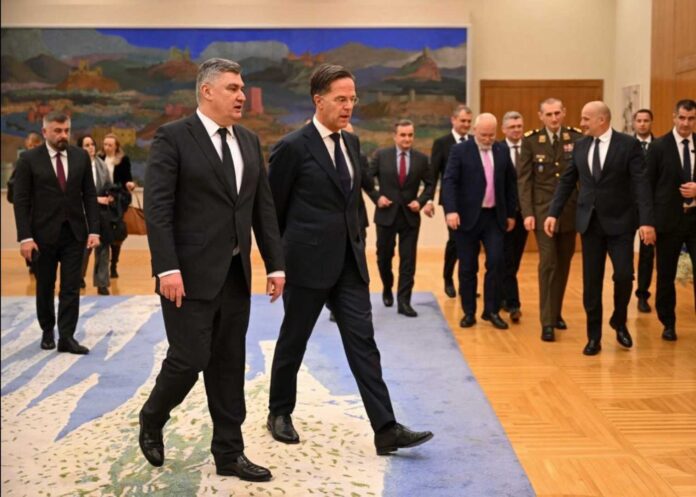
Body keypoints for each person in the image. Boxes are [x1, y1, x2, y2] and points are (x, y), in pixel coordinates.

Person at [266, 63, 433, 455]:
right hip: (306, 265)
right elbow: (273, 211)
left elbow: (352, 202)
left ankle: (386, 429)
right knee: (294, 340)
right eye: (340, 99)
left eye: (352, 99)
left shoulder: (352, 144)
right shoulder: (293, 147)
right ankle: (279, 412)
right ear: (318, 100)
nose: (348, 106)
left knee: (363, 344)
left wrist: (359, 238)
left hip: (349, 265)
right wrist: (277, 264)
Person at [138, 58, 285, 482]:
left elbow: (262, 209)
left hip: (236, 275)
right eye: (233, 88)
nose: (242, 96)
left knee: (228, 363)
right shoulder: (173, 137)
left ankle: (229, 453)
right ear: (207, 91)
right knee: (189, 358)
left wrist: (275, 264)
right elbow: (158, 208)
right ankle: (152, 416)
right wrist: (166, 267)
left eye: (243, 88)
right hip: (185, 276)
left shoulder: (249, 140)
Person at [544, 101, 655, 356]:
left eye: (586, 118)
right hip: (590, 225)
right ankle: (593, 336)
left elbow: (641, 184)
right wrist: (553, 213)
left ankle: (619, 321)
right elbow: (567, 181)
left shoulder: (628, 145)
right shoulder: (580, 145)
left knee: (624, 276)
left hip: (621, 224)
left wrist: (647, 221)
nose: (581, 123)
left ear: (601, 120)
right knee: (591, 284)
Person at [12, 111, 100, 354]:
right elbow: (21, 201)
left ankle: (67, 337)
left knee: (71, 287)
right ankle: (48, 331)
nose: (63, 135)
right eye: (57, 131)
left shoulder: (81, 156)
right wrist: (25, 237)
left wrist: (94, 230)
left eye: (66, 131)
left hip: (75, 234)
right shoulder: (28, 159)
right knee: (45, 286)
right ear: (45, 132)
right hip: (42, 236)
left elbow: (89, 195)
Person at [442, 113, 517, 330]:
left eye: (491, 135)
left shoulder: (501, 150)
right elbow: (449, 181)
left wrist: (511, 214)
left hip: (494, 217)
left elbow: (510, 184)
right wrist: (451, 210)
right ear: (475, 131)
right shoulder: (460, 150)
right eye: (483, 135)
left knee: (496, 262)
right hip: (466, 218)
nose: (487, 139)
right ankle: (469, 312)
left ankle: (491, 311)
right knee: (468, 266)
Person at [518, 98, 583, 342]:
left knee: (564, 263)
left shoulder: (576, 139)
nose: (554, 118)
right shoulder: (531, 141)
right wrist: (528, 213)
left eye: (557, 113)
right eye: (549, 114)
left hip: (569, 211)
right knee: (548, 263)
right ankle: (546, 322)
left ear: (564, 113)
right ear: (540, 116)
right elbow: (524, 180)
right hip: (543, 211)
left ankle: (555, 312)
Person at [368, 119, 435, 317]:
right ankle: (387, 287)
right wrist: (377, 198)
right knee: (383, 258)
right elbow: (366, 180)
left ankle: (404, 301)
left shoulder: (422, 159)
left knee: (408, 261)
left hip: (409, 217)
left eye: (410, 135)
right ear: (395, 136)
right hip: (386, 215)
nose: (407, 139)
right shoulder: (381, 156)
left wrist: (421, 201)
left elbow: (430, 184)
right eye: (403, 135)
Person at [646, 99, 696, 341]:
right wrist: (648, 222)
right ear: (674, 117)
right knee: (666, 276)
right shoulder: (658, 147)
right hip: (667, 222)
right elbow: (647, 186)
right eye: (682, 118)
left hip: (694, 221)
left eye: (691, 119)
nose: (686, 123)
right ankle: (668, 323)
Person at [431, 104, 473, 298]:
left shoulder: (474, 141)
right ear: (453, 120)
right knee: (455, 241)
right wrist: (428, 200)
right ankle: (448, 278)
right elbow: (433, 174)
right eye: (463, 120)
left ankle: (467, 283)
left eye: (469, 121)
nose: (466, 124)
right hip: (452, 201)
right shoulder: (442, 143)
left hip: (473, 202)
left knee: (471, 243)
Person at [77, 135, 115, 295]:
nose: (91, 147)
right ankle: (78, 278)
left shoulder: (101, 164)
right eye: (86, 145)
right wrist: (95, 199)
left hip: (102, 213)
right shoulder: (75, 165)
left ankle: (102, 283)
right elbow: (73, 192)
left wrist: (111, 195)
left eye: (92, 144)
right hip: (82, 213)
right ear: (80, 148)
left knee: (104, 248)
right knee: (84, 249)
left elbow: (109, 185)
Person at [498, 111, 527, 323]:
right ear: (504, 129)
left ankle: (503, 295)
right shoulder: (497, 149)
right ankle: (513, 302)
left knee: (515, 258)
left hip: (524, 214)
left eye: (519, 126)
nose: (516, 130)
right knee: (506, 257)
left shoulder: (530, 148)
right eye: (512, 127)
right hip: (502, 214)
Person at [99, 133, 135, 278]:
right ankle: (102, 267)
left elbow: (127, 179)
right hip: (102, 200)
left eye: (110, 145)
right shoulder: (99, 159)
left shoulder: (123, 160)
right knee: (103, 234)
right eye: (105, 144)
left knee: (117, 234)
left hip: (118, 201)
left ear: (116, 146)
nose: (107, 147)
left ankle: (113, 264)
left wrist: (130, 184)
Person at [632, 108, 656, 313]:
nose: (642, 124)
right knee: (622, 251)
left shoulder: (659, 146)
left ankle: (642, 294)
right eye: (639, 120)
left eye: (646, 120)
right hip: (627, 206)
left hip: (650, 207)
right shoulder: (625, 145)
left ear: (651, 122)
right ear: (634, 123)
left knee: (647, 253)